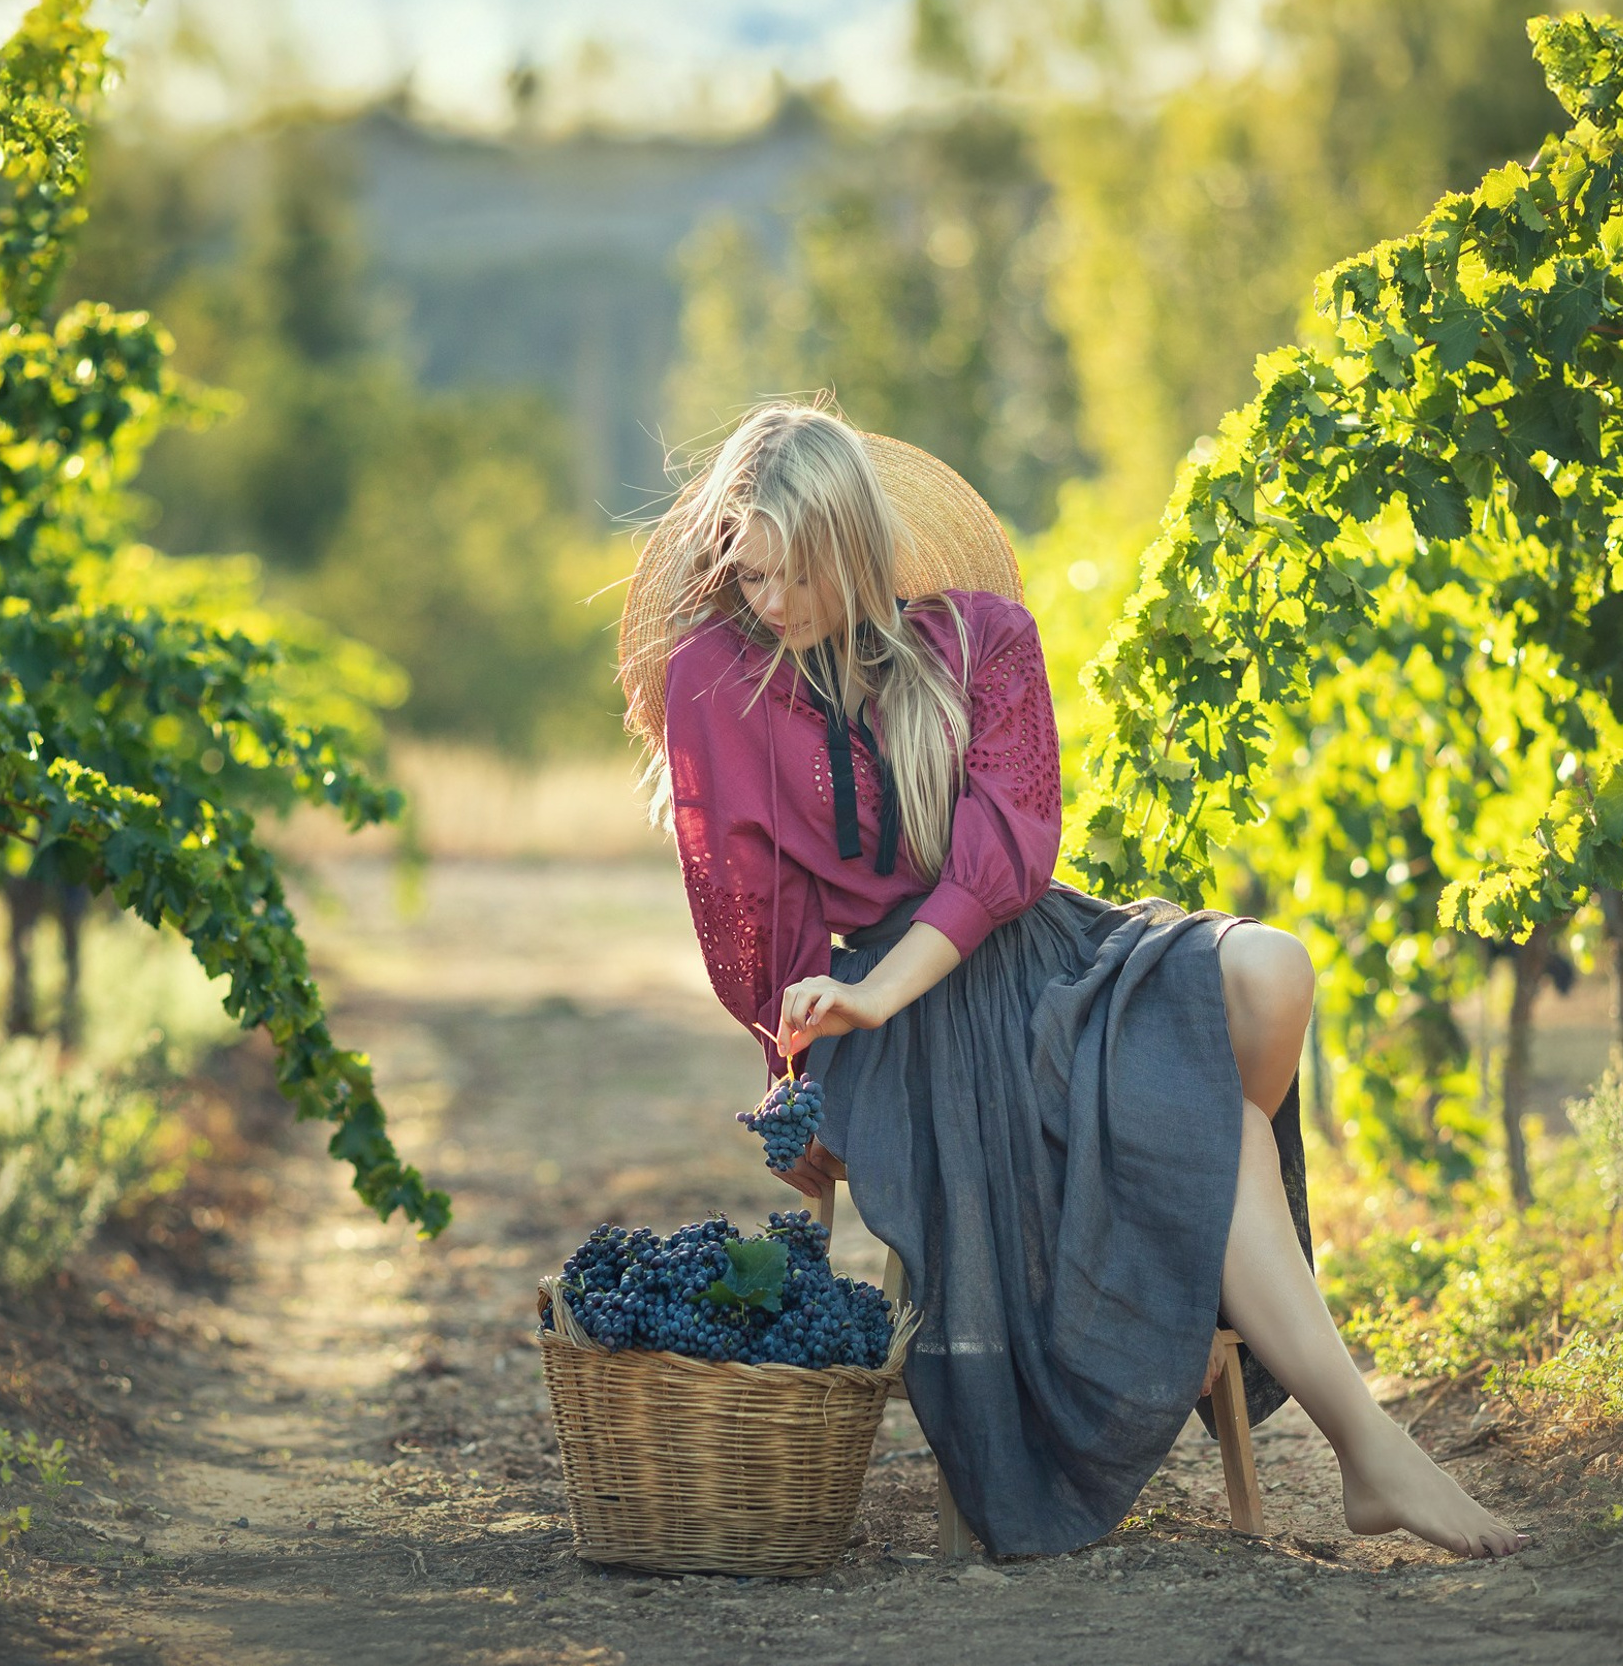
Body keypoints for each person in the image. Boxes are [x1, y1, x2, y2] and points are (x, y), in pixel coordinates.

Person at [619, 400, 1524, 1562]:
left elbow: (1007, 858)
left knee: (1271, 968)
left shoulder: (981, 639)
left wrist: (893, 983)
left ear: (855, 549)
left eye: (798, 575)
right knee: (1210, 1108)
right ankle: (1368, 1446)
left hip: (1019, 949)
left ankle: (1177, 1221)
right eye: (750, 578)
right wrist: (796, 1067)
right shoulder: (713, 680)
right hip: (867, 1019)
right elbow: (745, 917)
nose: (774, 604)